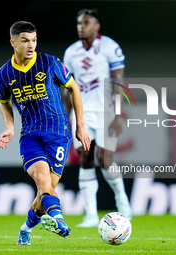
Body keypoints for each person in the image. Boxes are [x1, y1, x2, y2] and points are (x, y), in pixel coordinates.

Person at [0, 21, 91, 245]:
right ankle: (59, 219)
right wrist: (10, 127)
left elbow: (73, 87)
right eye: (25, 40)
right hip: (30, 135)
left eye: (34, 40)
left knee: (44, 192)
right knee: (41, 179)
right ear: (13, 42)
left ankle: (25, 229)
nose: (31, 45)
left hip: (58, 133)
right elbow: (4, 102)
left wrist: (81, 125)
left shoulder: (49, 62)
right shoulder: (3, 74)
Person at [63, 9, 132, 227]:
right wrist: (66, 117)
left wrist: (119, 114)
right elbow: (67, 88)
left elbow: (119, 81)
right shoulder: (71, 52)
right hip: (81, 114)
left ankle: (122, 202)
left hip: (105, 112)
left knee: (104, 158)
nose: (81, 26)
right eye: (78, 22)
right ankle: (91, 214)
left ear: (96, 26)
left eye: (86, 22)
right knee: (85, 158)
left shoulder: (110, 47)